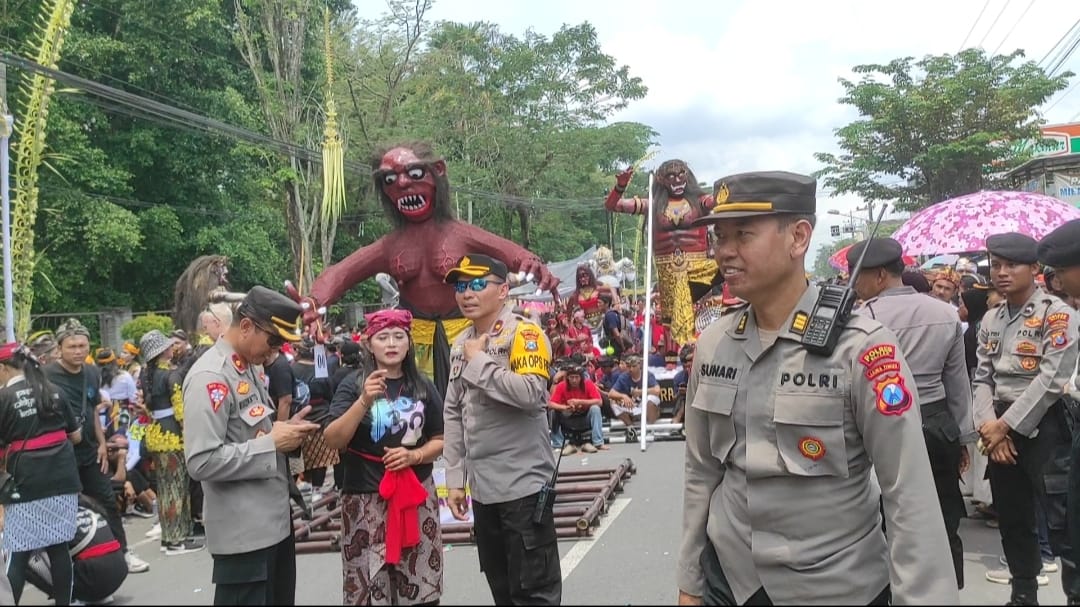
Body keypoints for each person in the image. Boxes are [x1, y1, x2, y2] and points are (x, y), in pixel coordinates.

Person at [677, 171, 957, 605]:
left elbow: (908, 491)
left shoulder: (863, 348)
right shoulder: (714, 344)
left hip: (834, 586)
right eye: (719, 237)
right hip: (731, 580)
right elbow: (701, 471)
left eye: (743, 235)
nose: (725, 252)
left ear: (799, 237)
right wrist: (690, 582)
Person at [846, 237, 976, 589]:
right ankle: (947, 590)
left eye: (858, 275)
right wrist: (963, 438)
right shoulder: (945, 313)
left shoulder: (861, 319)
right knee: (943, 514)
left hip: (880, 422)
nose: (853, 284)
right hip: (938, 424)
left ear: (880, 275)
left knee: (890, 515)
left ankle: (895, 589)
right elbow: (958, 385)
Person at [183, 286, 321, 605]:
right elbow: (201, 461)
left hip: (273, 525)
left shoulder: (246, 366)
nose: (275, 351)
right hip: (244, 536)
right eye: (273, 340)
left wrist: (281, 431)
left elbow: (249, 433)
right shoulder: (210, 377)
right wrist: (271, 443)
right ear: (246, 326)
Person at [441, 254, 562, 605]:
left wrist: (480, 361)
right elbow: (453, 412)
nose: (467, 294)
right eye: (461, 286)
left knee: (533, 593)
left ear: (504, 290)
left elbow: (532, 394)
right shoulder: (460, 343)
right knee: (503, 590)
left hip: (523, 488)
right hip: (483, 491)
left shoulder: (524, 334)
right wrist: (454, 480)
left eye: (478, 284)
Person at [973, 231, 1080, 604]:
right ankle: (1023, 593)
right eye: (996, 265)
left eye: (1012, 265)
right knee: (1014, 518)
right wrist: (990, 428)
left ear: (1035, 269)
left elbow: (1052, 378)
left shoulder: (1058, 313)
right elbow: (982, 377)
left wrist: (1005, 427)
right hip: (999, 426)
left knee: (1063, 523)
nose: (1002, 273)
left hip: (1046, 427)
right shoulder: (991, 318)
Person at [324, 308, 445, 605]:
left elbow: (441, 439)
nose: (391, 344)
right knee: (368, 586)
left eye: (398, 337)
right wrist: (364, 400)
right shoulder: (353, 384)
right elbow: (332, 438)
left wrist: (414, 455)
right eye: (383, 337)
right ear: (369, 344)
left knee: (420, 583)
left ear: (408, 344)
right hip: (365, 500)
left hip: (415, 497)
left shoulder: (423, 386)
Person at [44, 319, 149, 575]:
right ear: (59, 349)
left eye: (83, 345)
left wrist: (102, 444)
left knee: (107, 502)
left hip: (91, 452)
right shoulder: (46, 376)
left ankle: (123, 552)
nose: (78, 351)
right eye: (72, 346)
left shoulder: (92, 373)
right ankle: (71, 568)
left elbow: (91, 410)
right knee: (68, 511)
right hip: (61, 455)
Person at [0, 342, 83, 605]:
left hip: (26, 481)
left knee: (18, 551)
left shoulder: (4, 398)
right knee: (59, 548)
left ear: (3, 368)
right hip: (63, 478)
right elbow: (77, 436)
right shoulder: (54, 391)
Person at [138, 330, 203, 555]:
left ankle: (170, 537)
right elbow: (180, 411)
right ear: (164, 351)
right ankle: (177, 539)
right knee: (178, 489)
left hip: (156, 435)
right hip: (173, 437)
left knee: (165, 490)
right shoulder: (171, 376)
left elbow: (148, 407)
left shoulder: (149, 374)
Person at [25, 495, 129, 605]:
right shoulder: (89, 508)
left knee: (22, 554)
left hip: (92, 576)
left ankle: (69, 598)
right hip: (118, 571)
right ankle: (99, 595)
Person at [548, 365, 606, 455]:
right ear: (567, 378)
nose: (574, 380)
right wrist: (565, 407)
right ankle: (558, 444)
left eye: (576, 377)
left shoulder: (588, 383)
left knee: (595, 408)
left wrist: (580, 402)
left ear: (581, 378)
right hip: (568, 417)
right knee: (553, 412)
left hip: (584, 418)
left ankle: (598, 442)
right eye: (572, 377)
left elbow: (599, 401)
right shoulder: (561, 386)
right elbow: (550, 404)